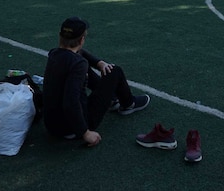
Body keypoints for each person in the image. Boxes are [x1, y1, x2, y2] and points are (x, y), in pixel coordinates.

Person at [43, 17, 150, 146]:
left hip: (53, 125)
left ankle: (112, 100)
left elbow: (80, 53)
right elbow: (70, 102)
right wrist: (85, 133)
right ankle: (128, 103)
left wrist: (99, 63)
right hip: (74, 128)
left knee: (83, 63)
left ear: (60, 36)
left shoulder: (54, 54)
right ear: (82, 40)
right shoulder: (78, 64)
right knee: (115, 71)